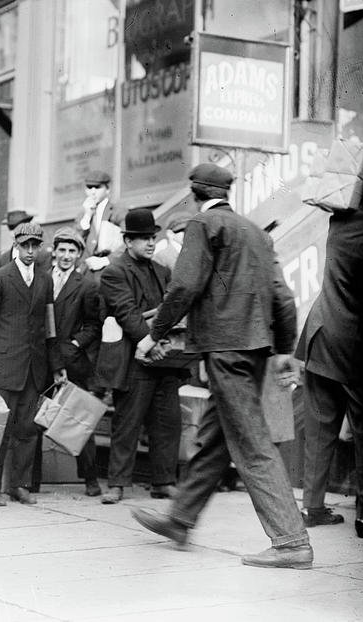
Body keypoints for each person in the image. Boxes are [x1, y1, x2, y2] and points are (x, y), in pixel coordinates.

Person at [133, 163, 311, 570]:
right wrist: (283, 348)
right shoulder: (255, 232)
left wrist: (155, 333)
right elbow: (282, 297)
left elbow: (184, 286)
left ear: (194, 192)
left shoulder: (203, 224)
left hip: (223, 349)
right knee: (214, 441)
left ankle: (290, 541)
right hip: (252, 348)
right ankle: (180, 520)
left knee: (252, 444)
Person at [96, 208, 182, 504]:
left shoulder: (162, 271)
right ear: (127, 240)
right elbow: (126, 312)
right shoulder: (114, 271)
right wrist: (151, 343)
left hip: (163, 360)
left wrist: (160, 343)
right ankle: (117, 484)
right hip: (134, 360)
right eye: (143, 238)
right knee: (127, 423)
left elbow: (171, 310)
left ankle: (163, 481)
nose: (149, 242)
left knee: (167, 422)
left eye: (152, 237)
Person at [294, 197, 363, 535]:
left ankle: (313, 507)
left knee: (320, 429)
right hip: (355, 345)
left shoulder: (340, 223)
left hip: (321, 334)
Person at [0, 222, 52, 506]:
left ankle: (20, 484)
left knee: (28, 429)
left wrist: (57, 364)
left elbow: (47, 326)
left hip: (34, 368)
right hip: (4, 367)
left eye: (34, 246)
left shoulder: (44, 279)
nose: (30, 252)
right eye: (25, 245)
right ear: (15, 245)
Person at [48, 227, 103, 497]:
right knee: (36, 416)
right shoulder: (42, 279)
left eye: (72, 251)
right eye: (62, 250)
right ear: (54, 252)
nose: (66, 256)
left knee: (81, 419)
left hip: (72, 361)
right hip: (43, 359)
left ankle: (90, 478)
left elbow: (94, 325)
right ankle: (30, 480)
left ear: (79, 255)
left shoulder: (87, 286)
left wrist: (75, 344)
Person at [78, 170, 125, 277]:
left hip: (110, 270)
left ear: (107, 189)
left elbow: (129, 241)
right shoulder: (82, 215)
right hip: (87, 272)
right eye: (89, 188)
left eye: (98, 187)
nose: (93, 192)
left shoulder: (118, 212)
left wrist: (107, 260)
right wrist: (87, 216)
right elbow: (75, 242)